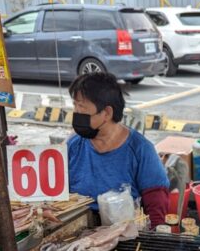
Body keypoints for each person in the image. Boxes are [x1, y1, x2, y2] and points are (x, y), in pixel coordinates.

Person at [68, 72, 169, 228]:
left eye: (81, 106)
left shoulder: (140, 150)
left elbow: (156, 208)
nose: (76, 112)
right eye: (74, 105)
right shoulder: (73, 145)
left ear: (107, 113)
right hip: (77, 229)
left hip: (124, 232)